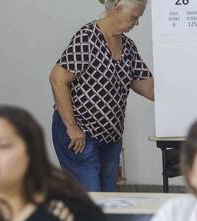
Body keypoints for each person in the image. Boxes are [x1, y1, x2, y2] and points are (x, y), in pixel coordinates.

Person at [49, 0, 154, 192]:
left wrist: (184, 95)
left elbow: (146, 85)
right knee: (91, 197)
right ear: (117, 8)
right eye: (134, 17)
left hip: (111, 137)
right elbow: (57, 78)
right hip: (80, 136)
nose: (136, 23)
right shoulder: (88, 38)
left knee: (108, 198)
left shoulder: (128, 46)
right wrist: (72, 128)